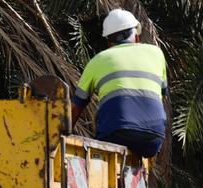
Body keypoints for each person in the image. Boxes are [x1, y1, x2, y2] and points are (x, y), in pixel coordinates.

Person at [71, 8, 168, 158]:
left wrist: (62, 135)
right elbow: (162, 95)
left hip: (114, 135)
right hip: (153, 139)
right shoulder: (156, 53)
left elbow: (76, 107)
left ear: (109, 41)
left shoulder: (98, 60)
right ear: (136, 35)